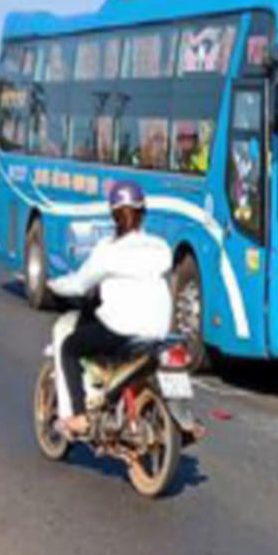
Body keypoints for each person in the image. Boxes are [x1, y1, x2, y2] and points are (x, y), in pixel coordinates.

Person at [48, 181, 173, 437]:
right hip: (159, 328)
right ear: (143, 213)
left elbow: (80, 285)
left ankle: (79, 416)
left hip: (122, 328)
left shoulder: (109, 250)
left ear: (114, 215)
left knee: (69, 347)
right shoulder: (161, 247)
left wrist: (53, 285)